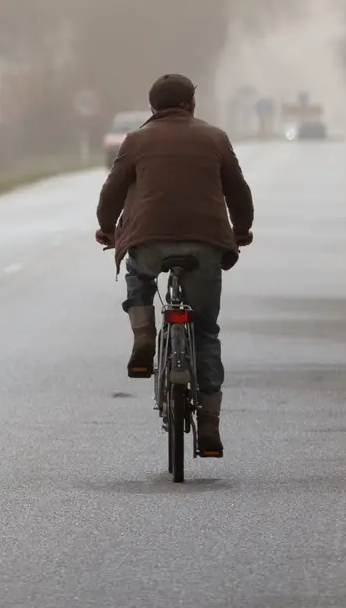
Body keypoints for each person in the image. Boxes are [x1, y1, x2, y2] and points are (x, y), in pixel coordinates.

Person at [93, 73, 254, 457]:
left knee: (139, 273)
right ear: (192, 104)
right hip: (206, 243)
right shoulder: (215, 138)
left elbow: (112, 191)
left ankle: (144, 335)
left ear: (152, 108)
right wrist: (241, 229)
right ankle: (211, 425)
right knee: (206, 331)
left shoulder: (135, 140)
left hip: (149, 240)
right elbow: (238, 190)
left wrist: (105, 228)